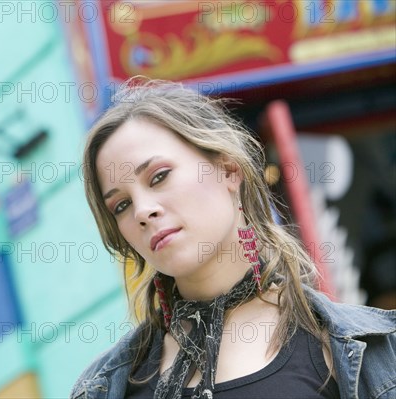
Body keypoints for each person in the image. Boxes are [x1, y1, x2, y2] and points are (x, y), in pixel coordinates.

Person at [70, 78, 396, 399]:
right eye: (122, 205)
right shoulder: (106, 386)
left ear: (228, 169)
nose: (142, 211)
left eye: (159, 176)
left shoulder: (367, 351)